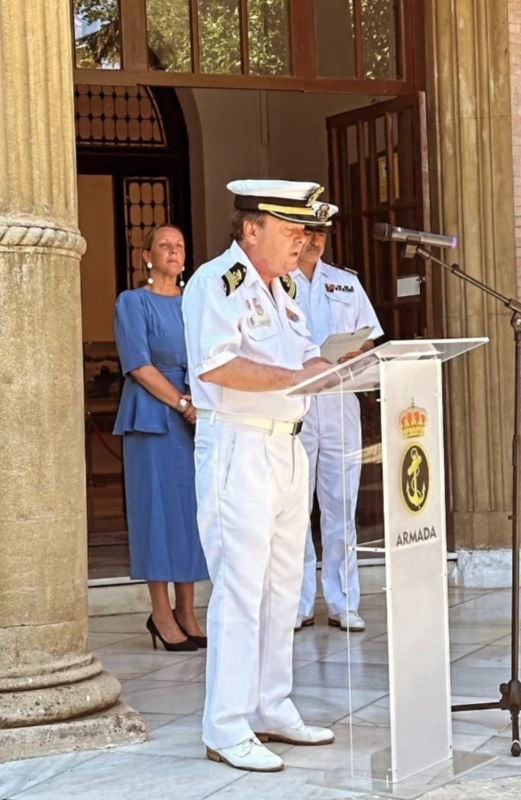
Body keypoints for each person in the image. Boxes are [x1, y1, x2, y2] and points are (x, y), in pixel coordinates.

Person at [182, 180, 338, 773]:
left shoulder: (289, 288)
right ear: (252, 229)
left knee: (281, 587)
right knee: (241, 588)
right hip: (238, 448)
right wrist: (295, 380)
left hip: (287, 448)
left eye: (305, 230)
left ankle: (271, 705)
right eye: (290, 229)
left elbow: (297, 359)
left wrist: (335, 364)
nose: (302, 239)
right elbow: (217, 366)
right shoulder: (217, 282)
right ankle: (225, 725)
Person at [113, 224, 209, 653]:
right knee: (157, 514)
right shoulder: (132, 302)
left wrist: (200, 404)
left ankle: (188, 610)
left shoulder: (196, 303)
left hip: (194, 416)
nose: (173, 251)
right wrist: (181, 403)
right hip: (154, 415)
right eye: (164, 246)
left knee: (191, 513)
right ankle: (161, 613)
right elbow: (137, 364)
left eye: (180, 246)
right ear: (147, 256)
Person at [291, 226, 383, 634]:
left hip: (341, 400)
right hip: (296, 403)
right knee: (294, 508)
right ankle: (297, 602)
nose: (313, 241)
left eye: (320, 234)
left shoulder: (345, 283)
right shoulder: (276, 281)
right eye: (306, 232)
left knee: (341, 508)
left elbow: (371, 337)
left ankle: (343, 601)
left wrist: (355, 350)